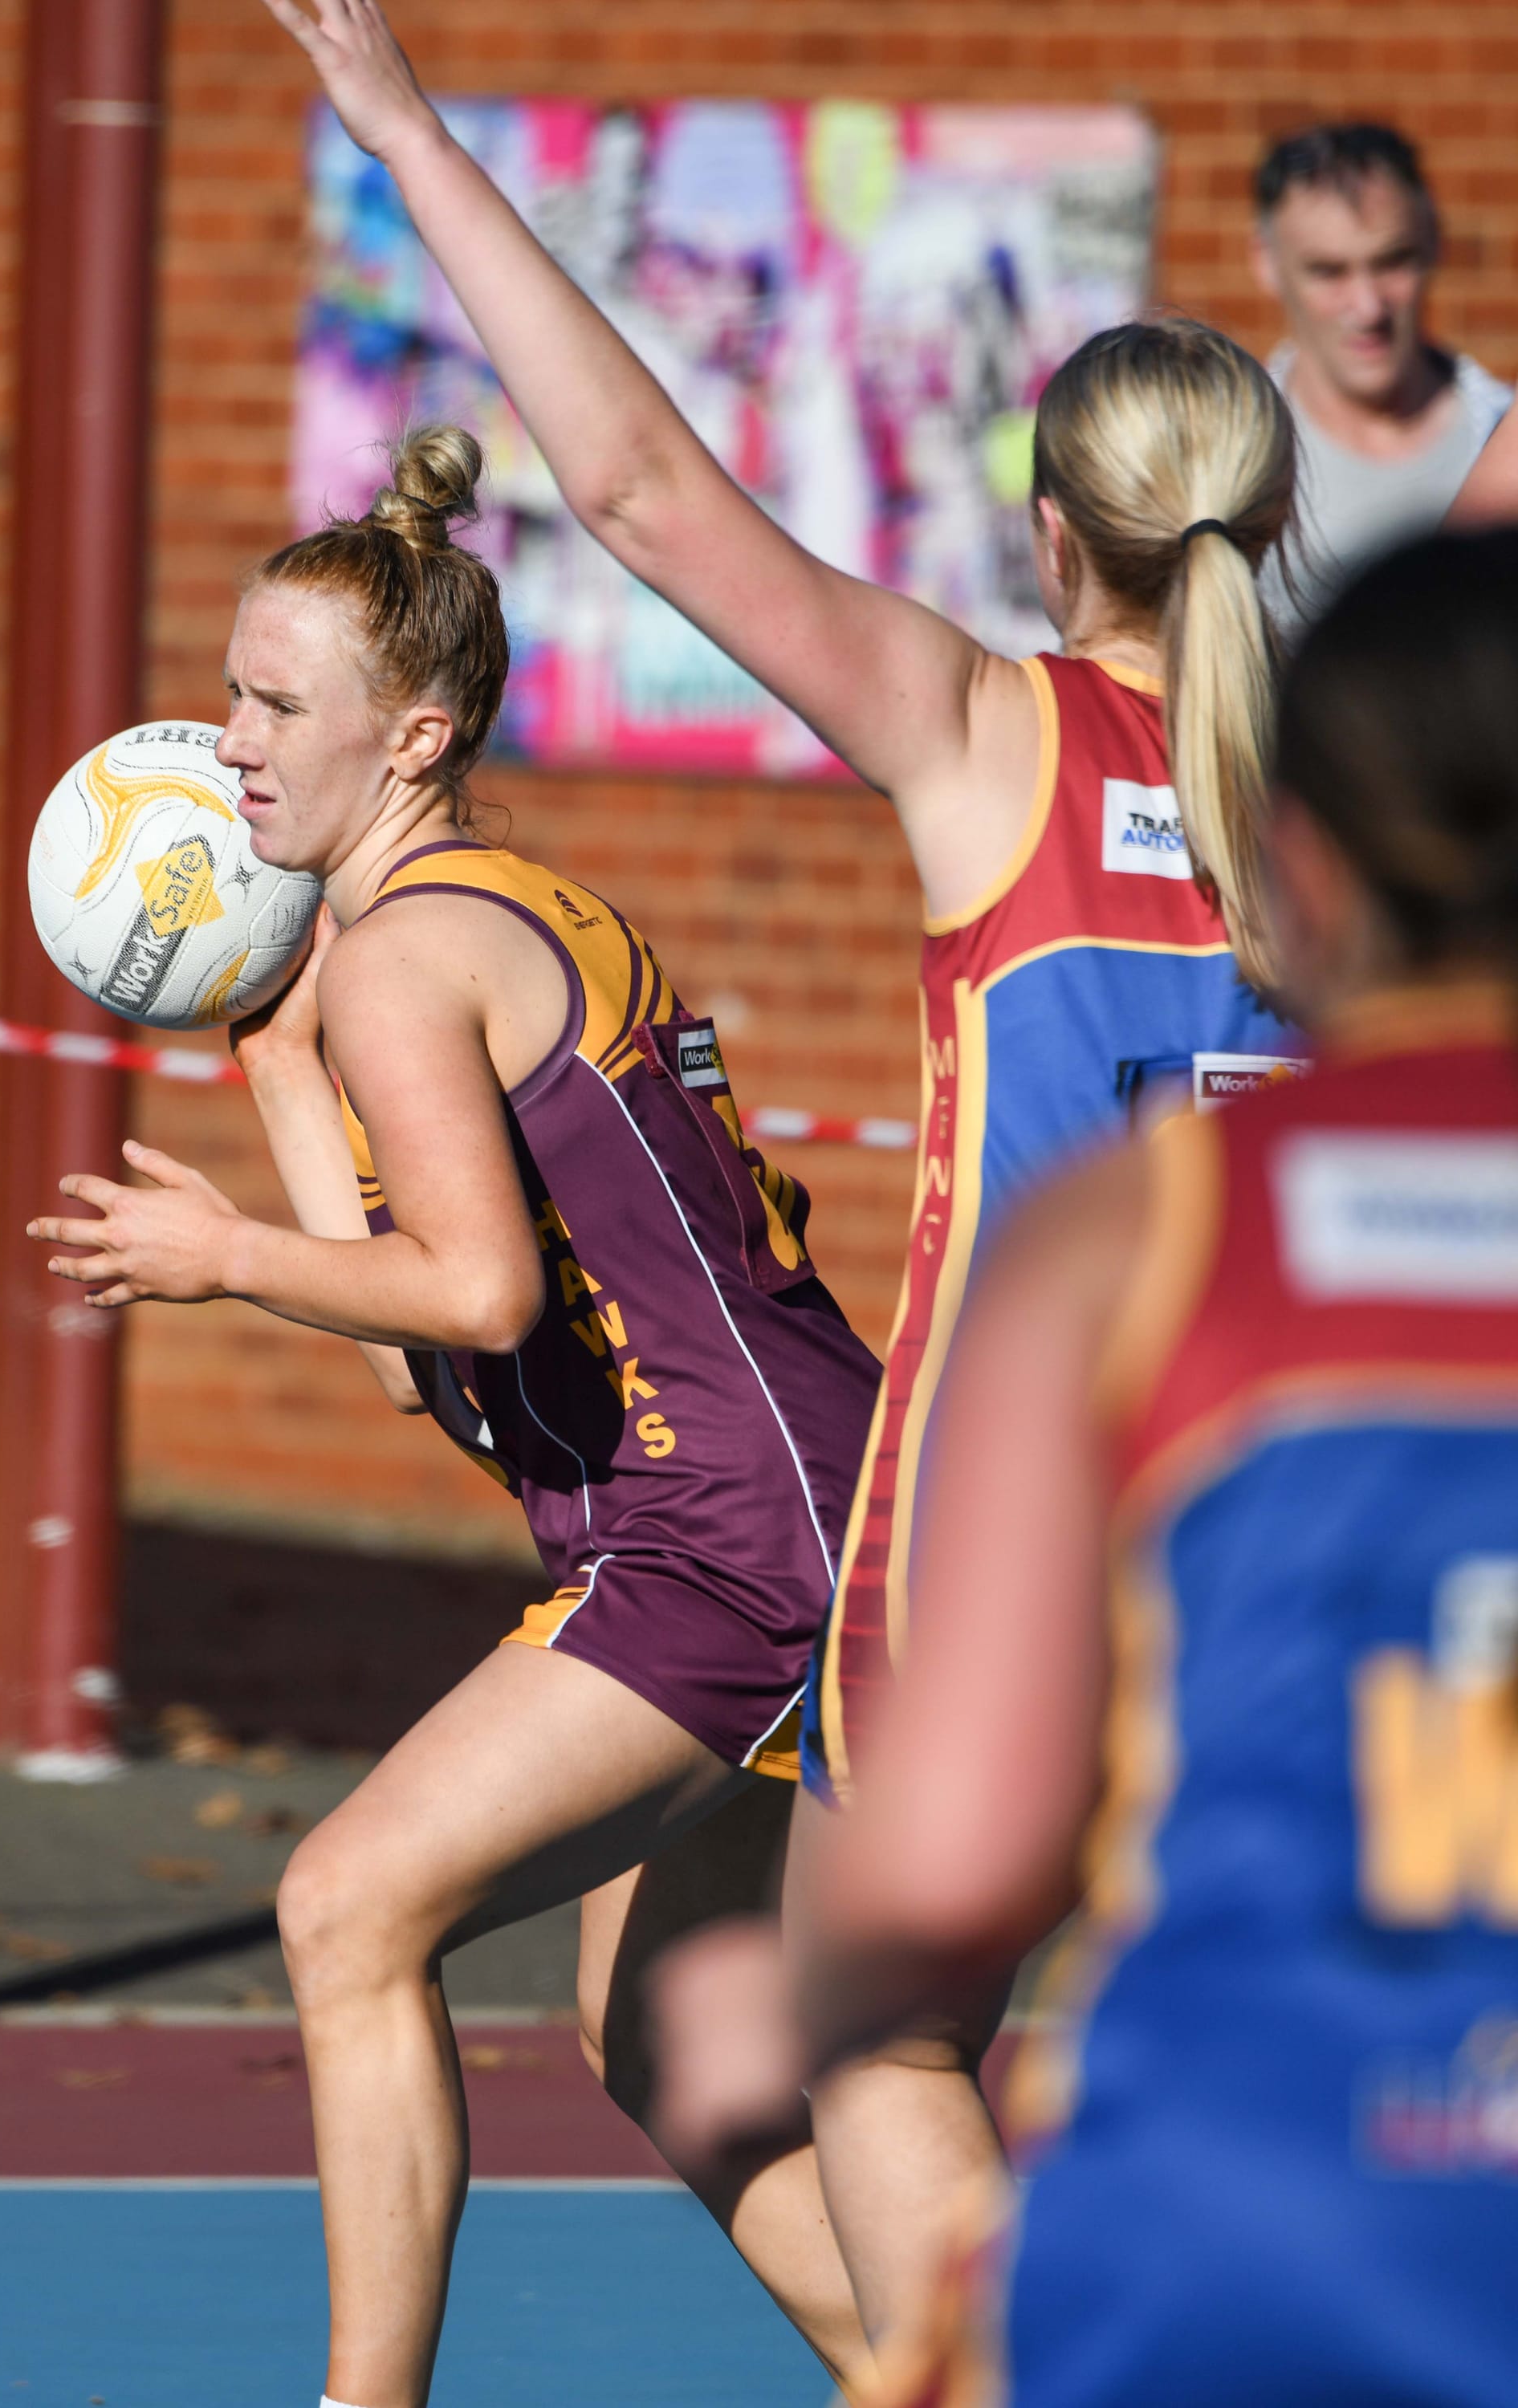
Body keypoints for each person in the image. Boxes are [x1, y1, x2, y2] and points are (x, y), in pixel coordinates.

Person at [255, 0, 1304, 2345]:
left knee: (884, 2039)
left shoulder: (992, 737)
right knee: (665, 1991)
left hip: (1000, 1539)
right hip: (1258, 1539)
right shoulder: (1361, 819)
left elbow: (632, 490)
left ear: (1054, 525)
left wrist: (405, 134)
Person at [28, 422, 882, 2406]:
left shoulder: (416, 958)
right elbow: (424, 1355)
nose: (225, 739)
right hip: (799, 1499)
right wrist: (267, 1045)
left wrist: (226, 1255)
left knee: (344, 1898)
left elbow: (477, 1291)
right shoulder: (472, 924)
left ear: (408, 738)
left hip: (728, 1529)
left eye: (273, 702)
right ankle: (934, 2366)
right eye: (228, 687)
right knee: (655, 2028)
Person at [783, 527, 1518, 2404]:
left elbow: (949, 1855)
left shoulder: (1142, 1228)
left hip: (1245, 2209)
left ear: (1302, 866)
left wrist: (771, 1994)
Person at [1252, 122, 1509, 627]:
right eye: (1329, 271)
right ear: (1266, 263)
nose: (1368, 307)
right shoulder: (1229, 455)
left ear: (1434, 239)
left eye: (1394, 262)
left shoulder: (1503, 433)